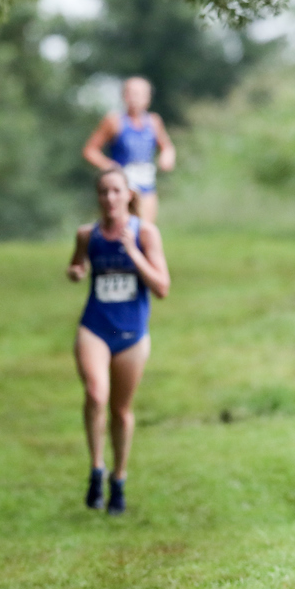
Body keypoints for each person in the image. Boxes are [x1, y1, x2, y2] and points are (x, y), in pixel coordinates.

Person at [67, 168, 170, 515]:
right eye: (102, 192)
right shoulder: (87, 234)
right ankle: (96, 468)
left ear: (128, 195)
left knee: (120, 411)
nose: (109, 198)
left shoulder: (146, 234)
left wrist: (133, 252)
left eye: (115, 191)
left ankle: (119, 478)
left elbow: (162, 288)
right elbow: (77, 266)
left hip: (131, 333)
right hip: (95, 327)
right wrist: (76, 271)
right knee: (96, 393)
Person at [82, 76, 177, 223]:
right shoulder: (114, 121)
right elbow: (90, 151)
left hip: (146, 184)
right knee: (123, 226)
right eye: (130, 93)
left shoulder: (153, 121)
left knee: (145, 228)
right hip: (122, 185)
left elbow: (167, 146)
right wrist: (110, 167)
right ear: (123, 96)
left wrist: (167, 156)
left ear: (148, 98)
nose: (134, 98)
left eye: (139, 94)